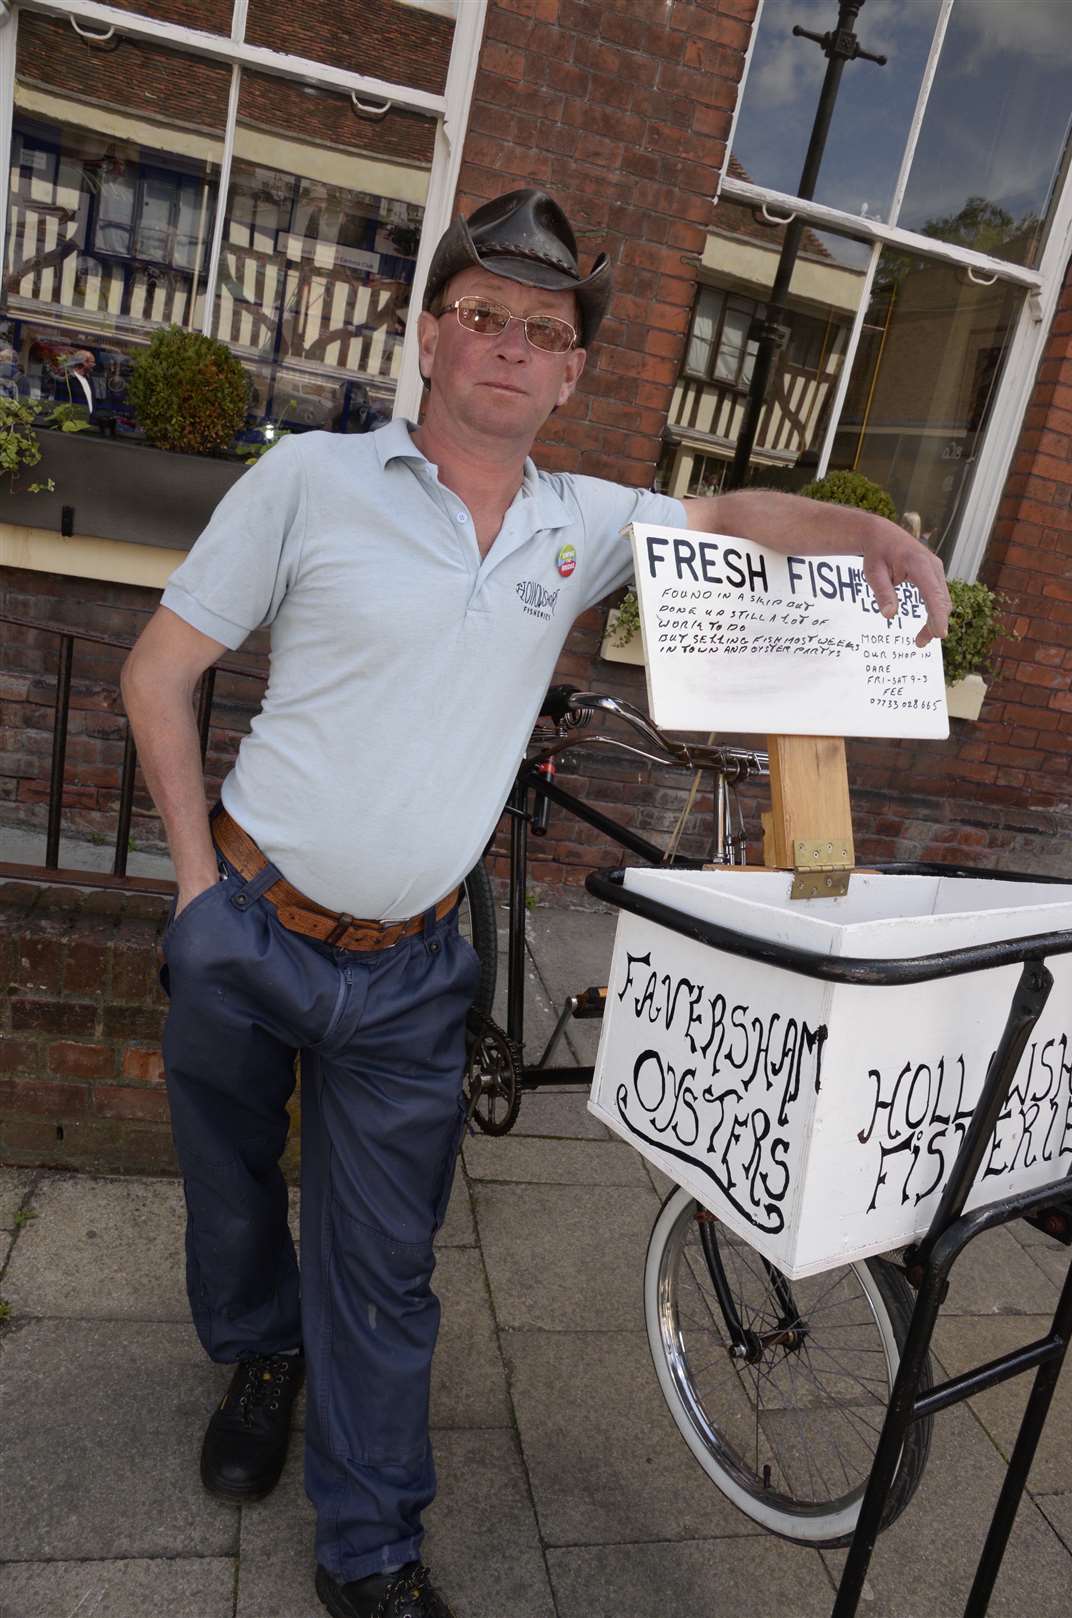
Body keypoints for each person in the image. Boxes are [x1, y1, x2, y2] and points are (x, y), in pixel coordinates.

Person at [120, 188, 950, 1618]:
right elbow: (156, 671)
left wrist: (865, 539)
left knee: (387, 1269)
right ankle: (263, 1352)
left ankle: (371, 1548)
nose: (509, 345)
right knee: (232, 1188)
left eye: (542, 331)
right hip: (246, 925)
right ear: (432, 337)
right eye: (484, 315)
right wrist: (196, 891)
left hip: (410, 972)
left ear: (570, 371)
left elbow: (723, 515)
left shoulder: (582, 526)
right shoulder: (309, 481)